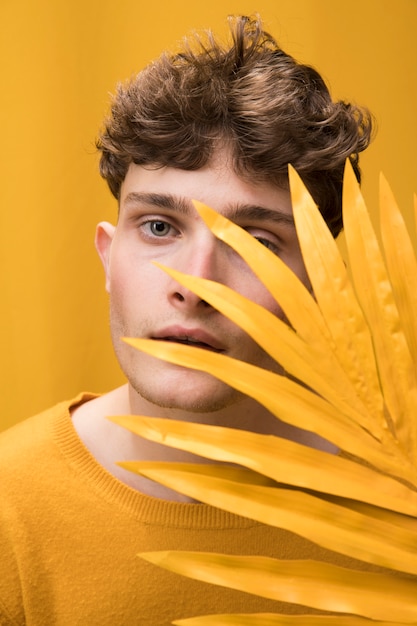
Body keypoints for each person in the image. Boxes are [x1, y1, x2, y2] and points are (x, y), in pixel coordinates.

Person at [0, 15, 374, 625]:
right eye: (158, 227)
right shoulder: (9, 511)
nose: (195, 285)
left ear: (325, 281)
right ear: (108, 255)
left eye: (254, 240)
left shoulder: (398, 501)